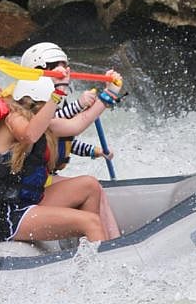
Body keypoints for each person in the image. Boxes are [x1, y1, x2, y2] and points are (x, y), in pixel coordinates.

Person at [0, 76, 122, 244]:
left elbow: (77, 124)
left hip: (29, 203)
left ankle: (85, 249)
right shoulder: (11, 119)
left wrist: (109, 93)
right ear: (37, 104)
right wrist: (56, 95)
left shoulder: (39, 121)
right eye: (52, 105)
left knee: (90, 185)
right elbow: (29, 135)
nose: (55, 110)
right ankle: (100, 261)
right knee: (91, 222)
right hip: (9, 217)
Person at [20, 42, 121, 238]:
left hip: (42, 180)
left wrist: (94, 151)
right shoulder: (27, 109)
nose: (62, 71)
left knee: (95, 188)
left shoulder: (49, 103)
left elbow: (65, 138)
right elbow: (65, 122)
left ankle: (112, 242)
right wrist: (96, 99)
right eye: (54, 66)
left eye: (63, 65)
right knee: (92, 187)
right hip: (26, 194)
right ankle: (104, 242)